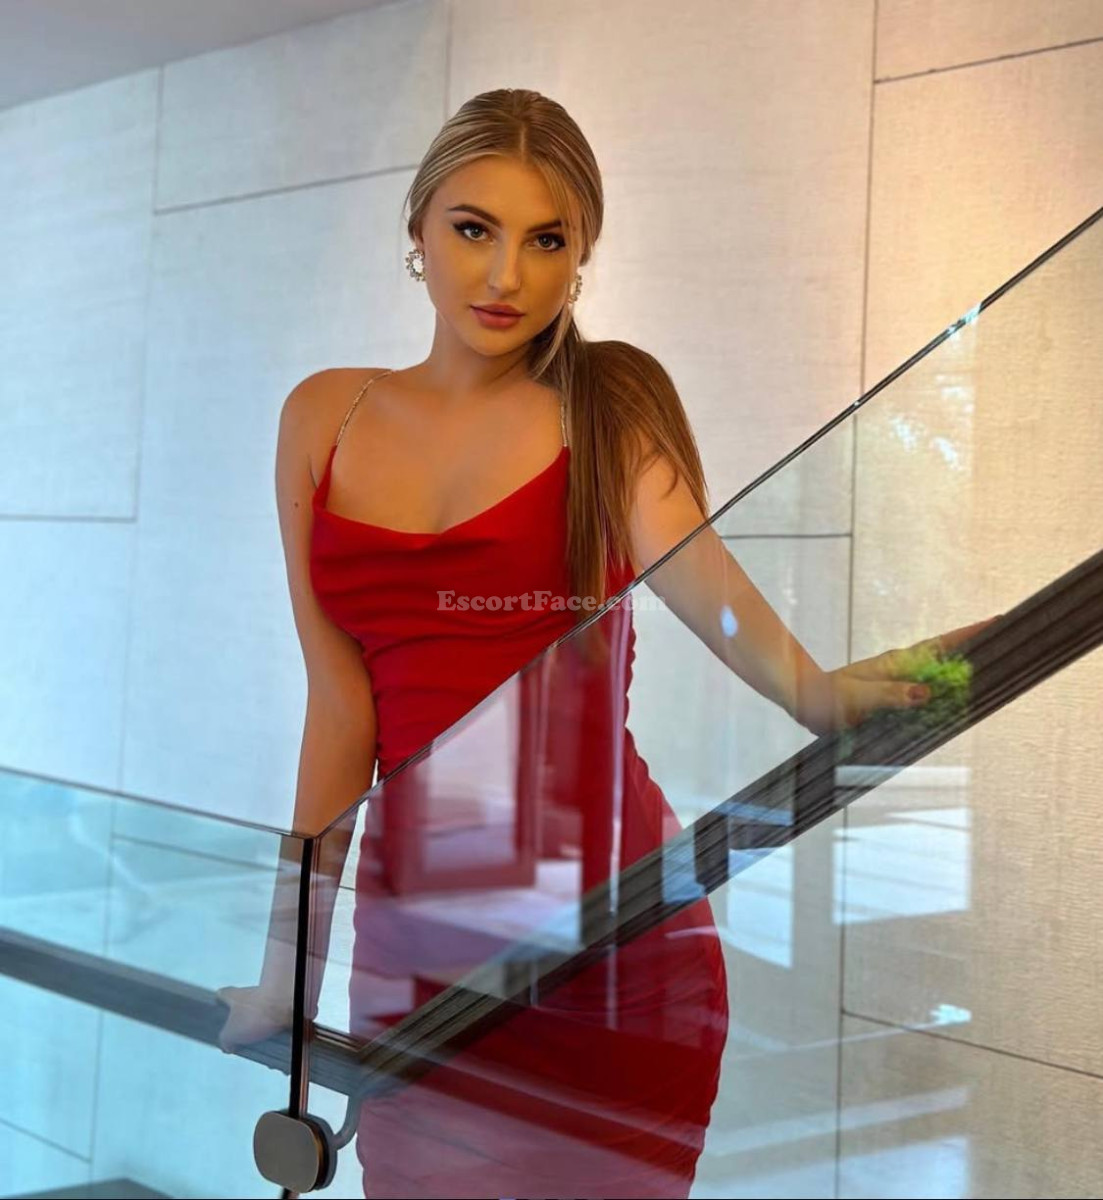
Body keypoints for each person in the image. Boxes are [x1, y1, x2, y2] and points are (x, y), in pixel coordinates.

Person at [218, 88, 996, 1198]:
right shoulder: (322, 418)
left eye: (547, 241)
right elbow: (340, 714)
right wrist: (287, 976)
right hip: (418, 940)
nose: (505, 276)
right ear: (417, 226)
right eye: (473, 228)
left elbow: (717, 600)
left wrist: (839, 691)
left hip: (612, 935)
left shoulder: (606, 406)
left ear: (580, 260)